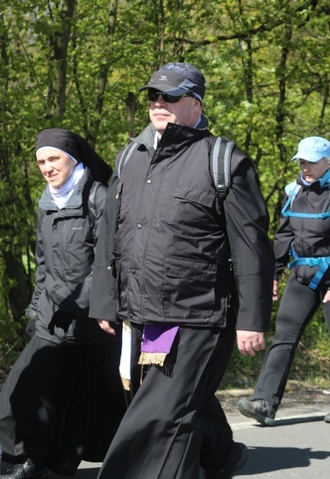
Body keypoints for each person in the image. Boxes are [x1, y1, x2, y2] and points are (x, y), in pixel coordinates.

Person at [89, 62, 274, 479]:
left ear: (195, 103)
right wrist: (105, 299)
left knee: (158, 413)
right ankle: (220, 456)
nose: (159, 103)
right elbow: (109, 235)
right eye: (153, 95)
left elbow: (251, 249)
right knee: (171, 398)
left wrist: (252, 319)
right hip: (144, 311)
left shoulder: (224, 160)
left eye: (170, 96)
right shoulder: (130, 158)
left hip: (200, 314)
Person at [0, 129, 125, 479]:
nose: (46, 167)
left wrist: (77, 305)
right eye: (41, 162)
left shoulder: (99, 197)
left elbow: (111, 262)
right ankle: (6, 458)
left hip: (92, 318)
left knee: (88, 396)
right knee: (26, 385)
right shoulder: (46, 203)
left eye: (53, 159)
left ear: (73, 159)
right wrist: (35, 310)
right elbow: (43, 264)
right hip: (53, 317)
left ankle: (201, 450)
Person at [237, 136, 330, 427]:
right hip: (302, 276)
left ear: (328, 162)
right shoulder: (293, 191)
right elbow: (283, 236)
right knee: (283, 337)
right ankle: (264, 402)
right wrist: (274, 273)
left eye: (311, 162)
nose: (305, 166)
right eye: (302, 161)